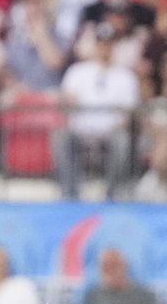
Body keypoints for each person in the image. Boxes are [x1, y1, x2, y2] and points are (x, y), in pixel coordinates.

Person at [55, 24, 139, 200]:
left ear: (113, 46)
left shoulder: (125, 76)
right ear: (95, 45)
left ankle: (112, 194)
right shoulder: (78, 71)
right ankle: (69, 193)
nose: (104, 49)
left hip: (111, 131)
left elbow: (128, 114)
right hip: (80, 129)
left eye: (108, 44)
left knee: (121, 140)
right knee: (61, 137)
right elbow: (67, 102)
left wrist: (111, 129)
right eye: (101, 44)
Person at [84, 247, 159, 304]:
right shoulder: (93, 296)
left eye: (113, 266)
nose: (110, 271)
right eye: (105, 266)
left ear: (124, 266)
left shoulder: (144, 296)